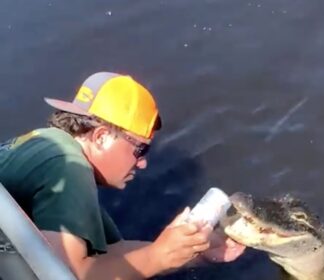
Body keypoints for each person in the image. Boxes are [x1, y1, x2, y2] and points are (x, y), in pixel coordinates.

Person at [0, 72, 245, 279]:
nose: (143, 163)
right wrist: (158, 256)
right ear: (101, 137)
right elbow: (67, 273)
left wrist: (190, 253)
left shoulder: (45, 145)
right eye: (140, 149)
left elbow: (111, 253)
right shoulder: (69, 165)